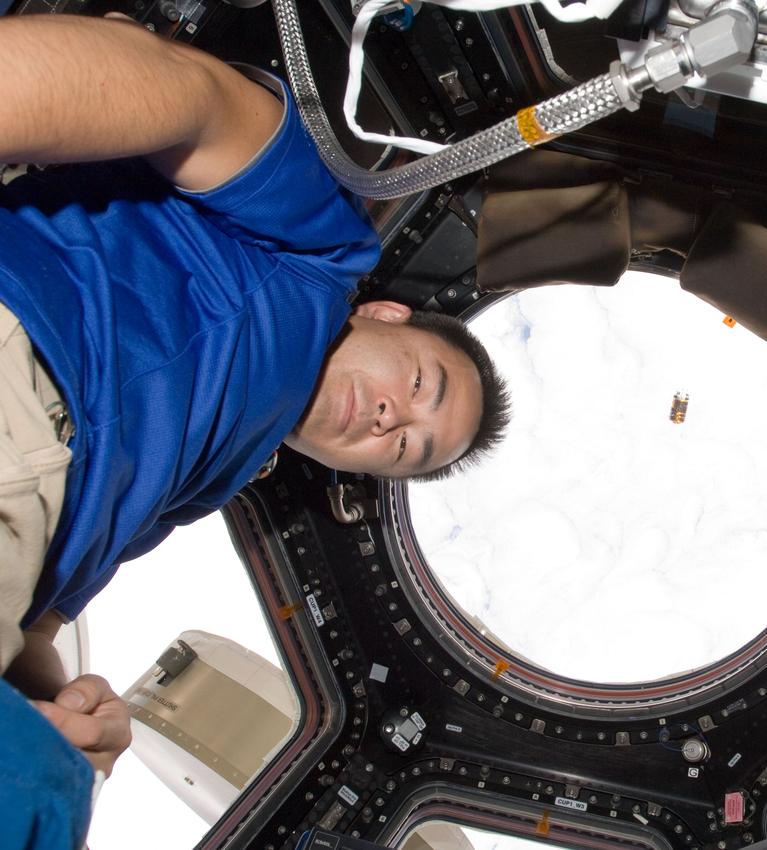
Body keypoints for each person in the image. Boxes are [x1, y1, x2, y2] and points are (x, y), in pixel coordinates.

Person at [0, 12, 510, 843]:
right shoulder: (318, 251)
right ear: (382, 311)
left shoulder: (214, 475)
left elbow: (44, 615)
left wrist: (59, 700)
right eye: (418, 383)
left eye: (406, 448)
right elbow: (176, 91)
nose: (392, 417)